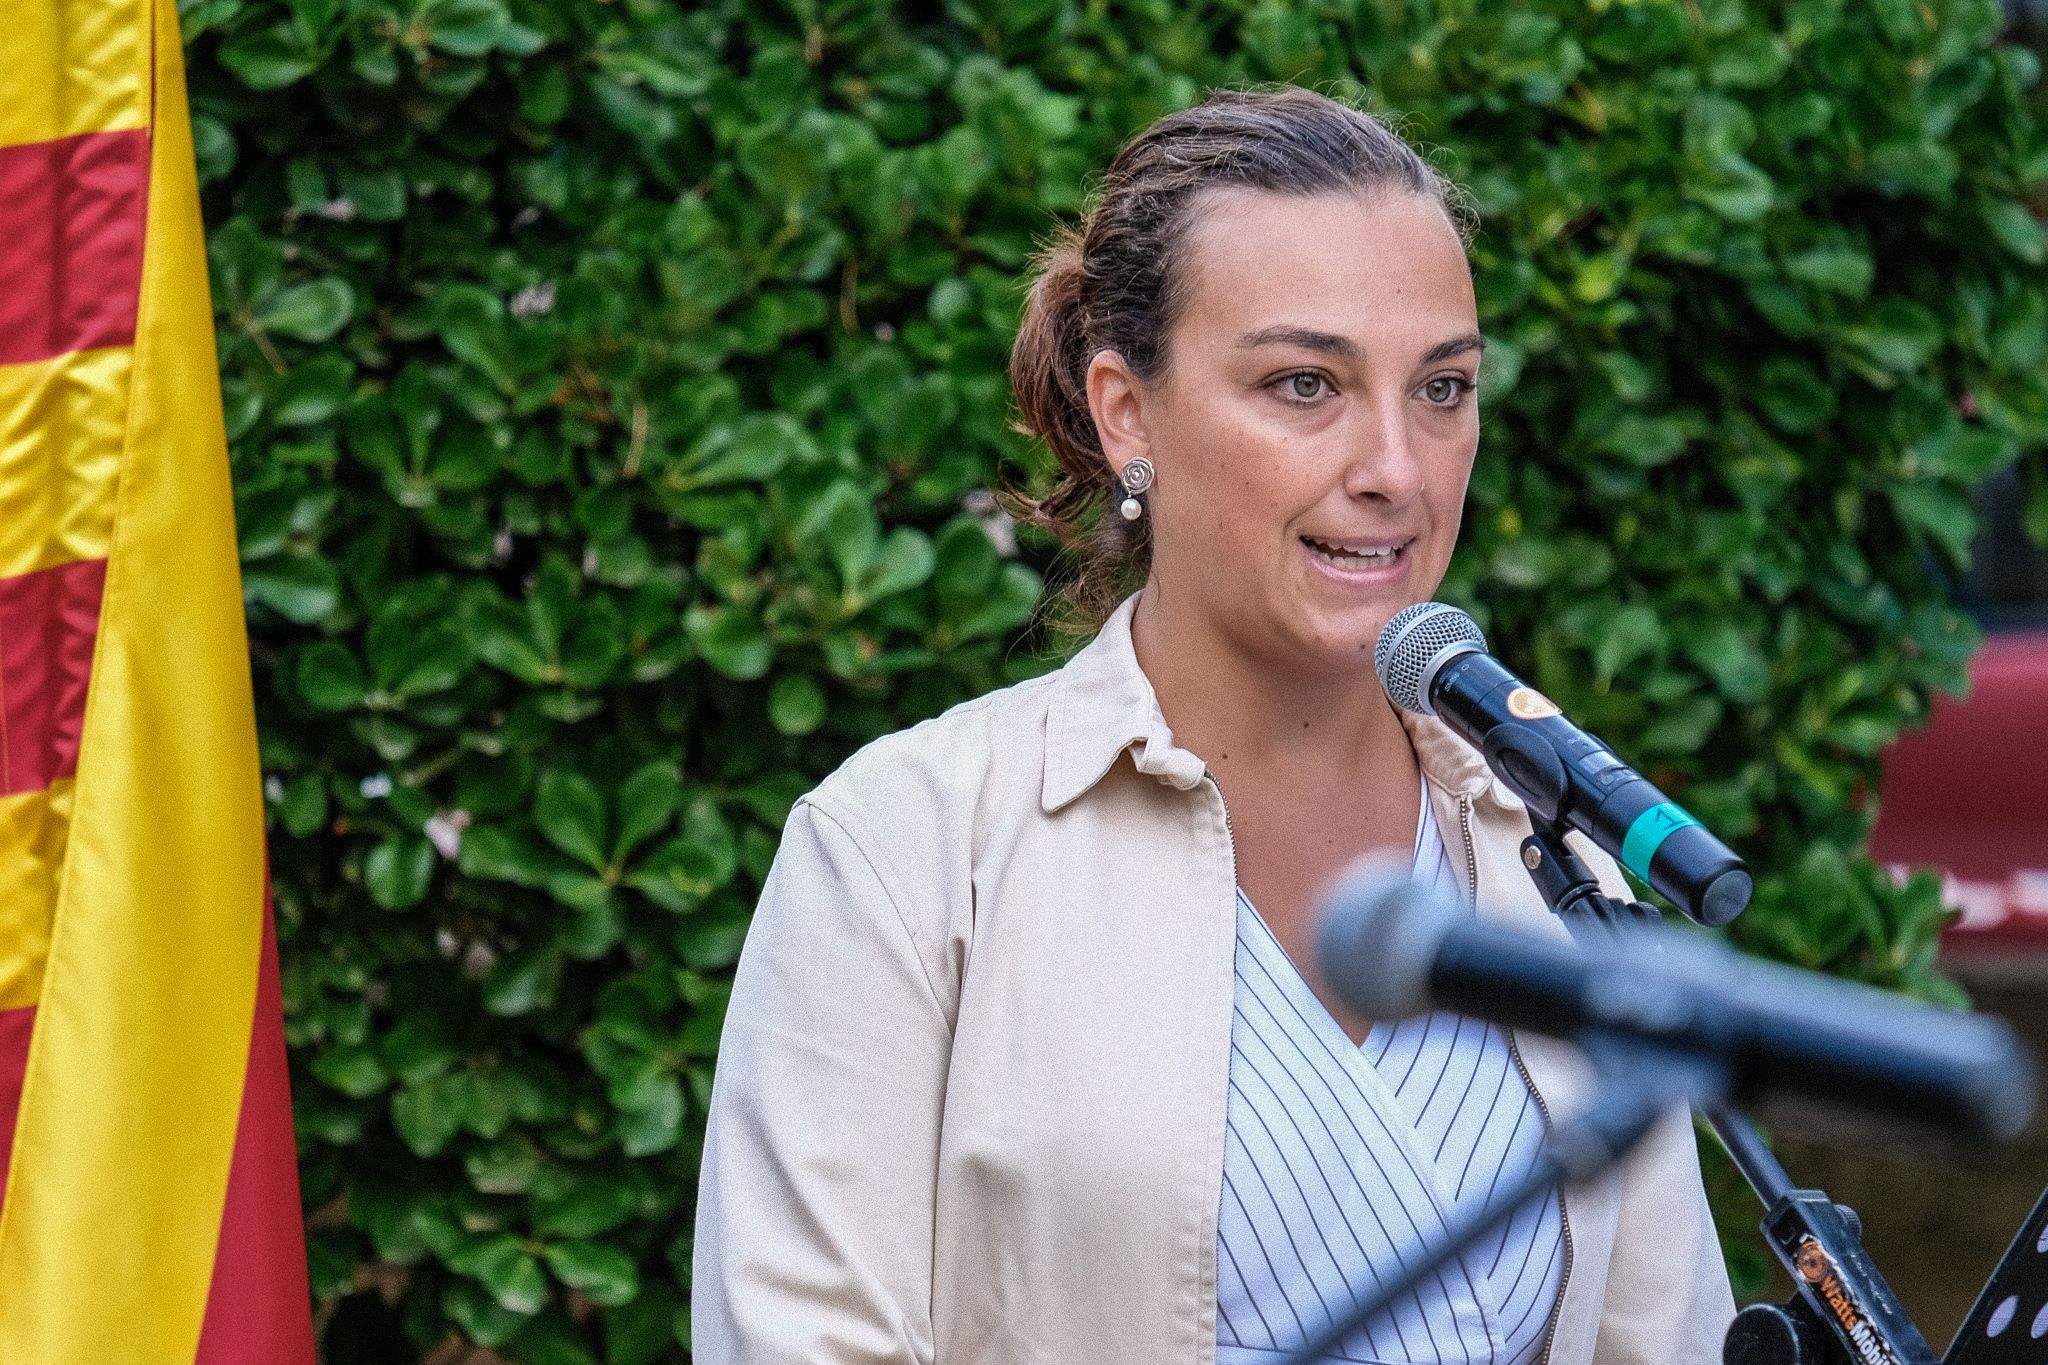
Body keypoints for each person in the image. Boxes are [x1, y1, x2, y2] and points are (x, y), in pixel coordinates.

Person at [691, 83, 1735, 1363]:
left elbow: (1665, 1337)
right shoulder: (908, 848)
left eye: (1441, 388)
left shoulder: (1548, 849)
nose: (1395, 469)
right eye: (1303, 384)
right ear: (1126, 410)